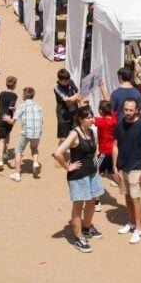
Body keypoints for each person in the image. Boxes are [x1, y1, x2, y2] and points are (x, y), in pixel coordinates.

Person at [53, 106, 106, 253]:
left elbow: (95, 151)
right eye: (88, 118)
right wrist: (68, 166)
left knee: (92, 201)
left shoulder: (91, 132)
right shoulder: (74, 134)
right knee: (78, 205)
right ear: (81, 120)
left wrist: (95, 162)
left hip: (91, 173)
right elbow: (58, 153)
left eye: (91, 117)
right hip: (78, 176)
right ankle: (78, 237)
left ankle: (87, 227)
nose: (91, 120)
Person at [112, 98, 141, 244]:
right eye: (126, 109)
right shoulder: (119, 124)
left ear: (136, 110)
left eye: (130, 110)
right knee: (127, 196)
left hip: (136, 167)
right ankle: (131, 222)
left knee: (135, 198)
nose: (127, 112)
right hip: (123, 167)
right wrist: (114, 166)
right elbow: (115, 145)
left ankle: (139, 229)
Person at [10, 86, 43, 182]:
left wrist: (7, 119)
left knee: (18, 150)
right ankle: (35, 163)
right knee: (34, 148)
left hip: (26, 132)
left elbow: (13, 121)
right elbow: (42, 121)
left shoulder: (22, 106)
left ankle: (17, 174)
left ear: (24, 95)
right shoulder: (38, 106)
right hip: (37, 132)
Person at [0, 76, 19, 173]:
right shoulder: (14, 95)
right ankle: (6, 151)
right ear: (14, 85)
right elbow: (11, 106)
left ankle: (0, 160)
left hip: (1, 118)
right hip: (9, 119)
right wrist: (16, 109)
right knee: (8, 134)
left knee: (1, 139)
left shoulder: (1, 94)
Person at [54, 68, 82, 143]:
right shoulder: (57, 87)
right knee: (63, 138)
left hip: (74, 112)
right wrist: (76, 97)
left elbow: (78, 91)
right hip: (63, 115)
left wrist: (75, 97)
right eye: (65, 81)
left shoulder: (70, 81)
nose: (67, 82)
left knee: (75, 135)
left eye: (68, 80)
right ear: (59, 80)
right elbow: (67, 100)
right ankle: (61, 150)